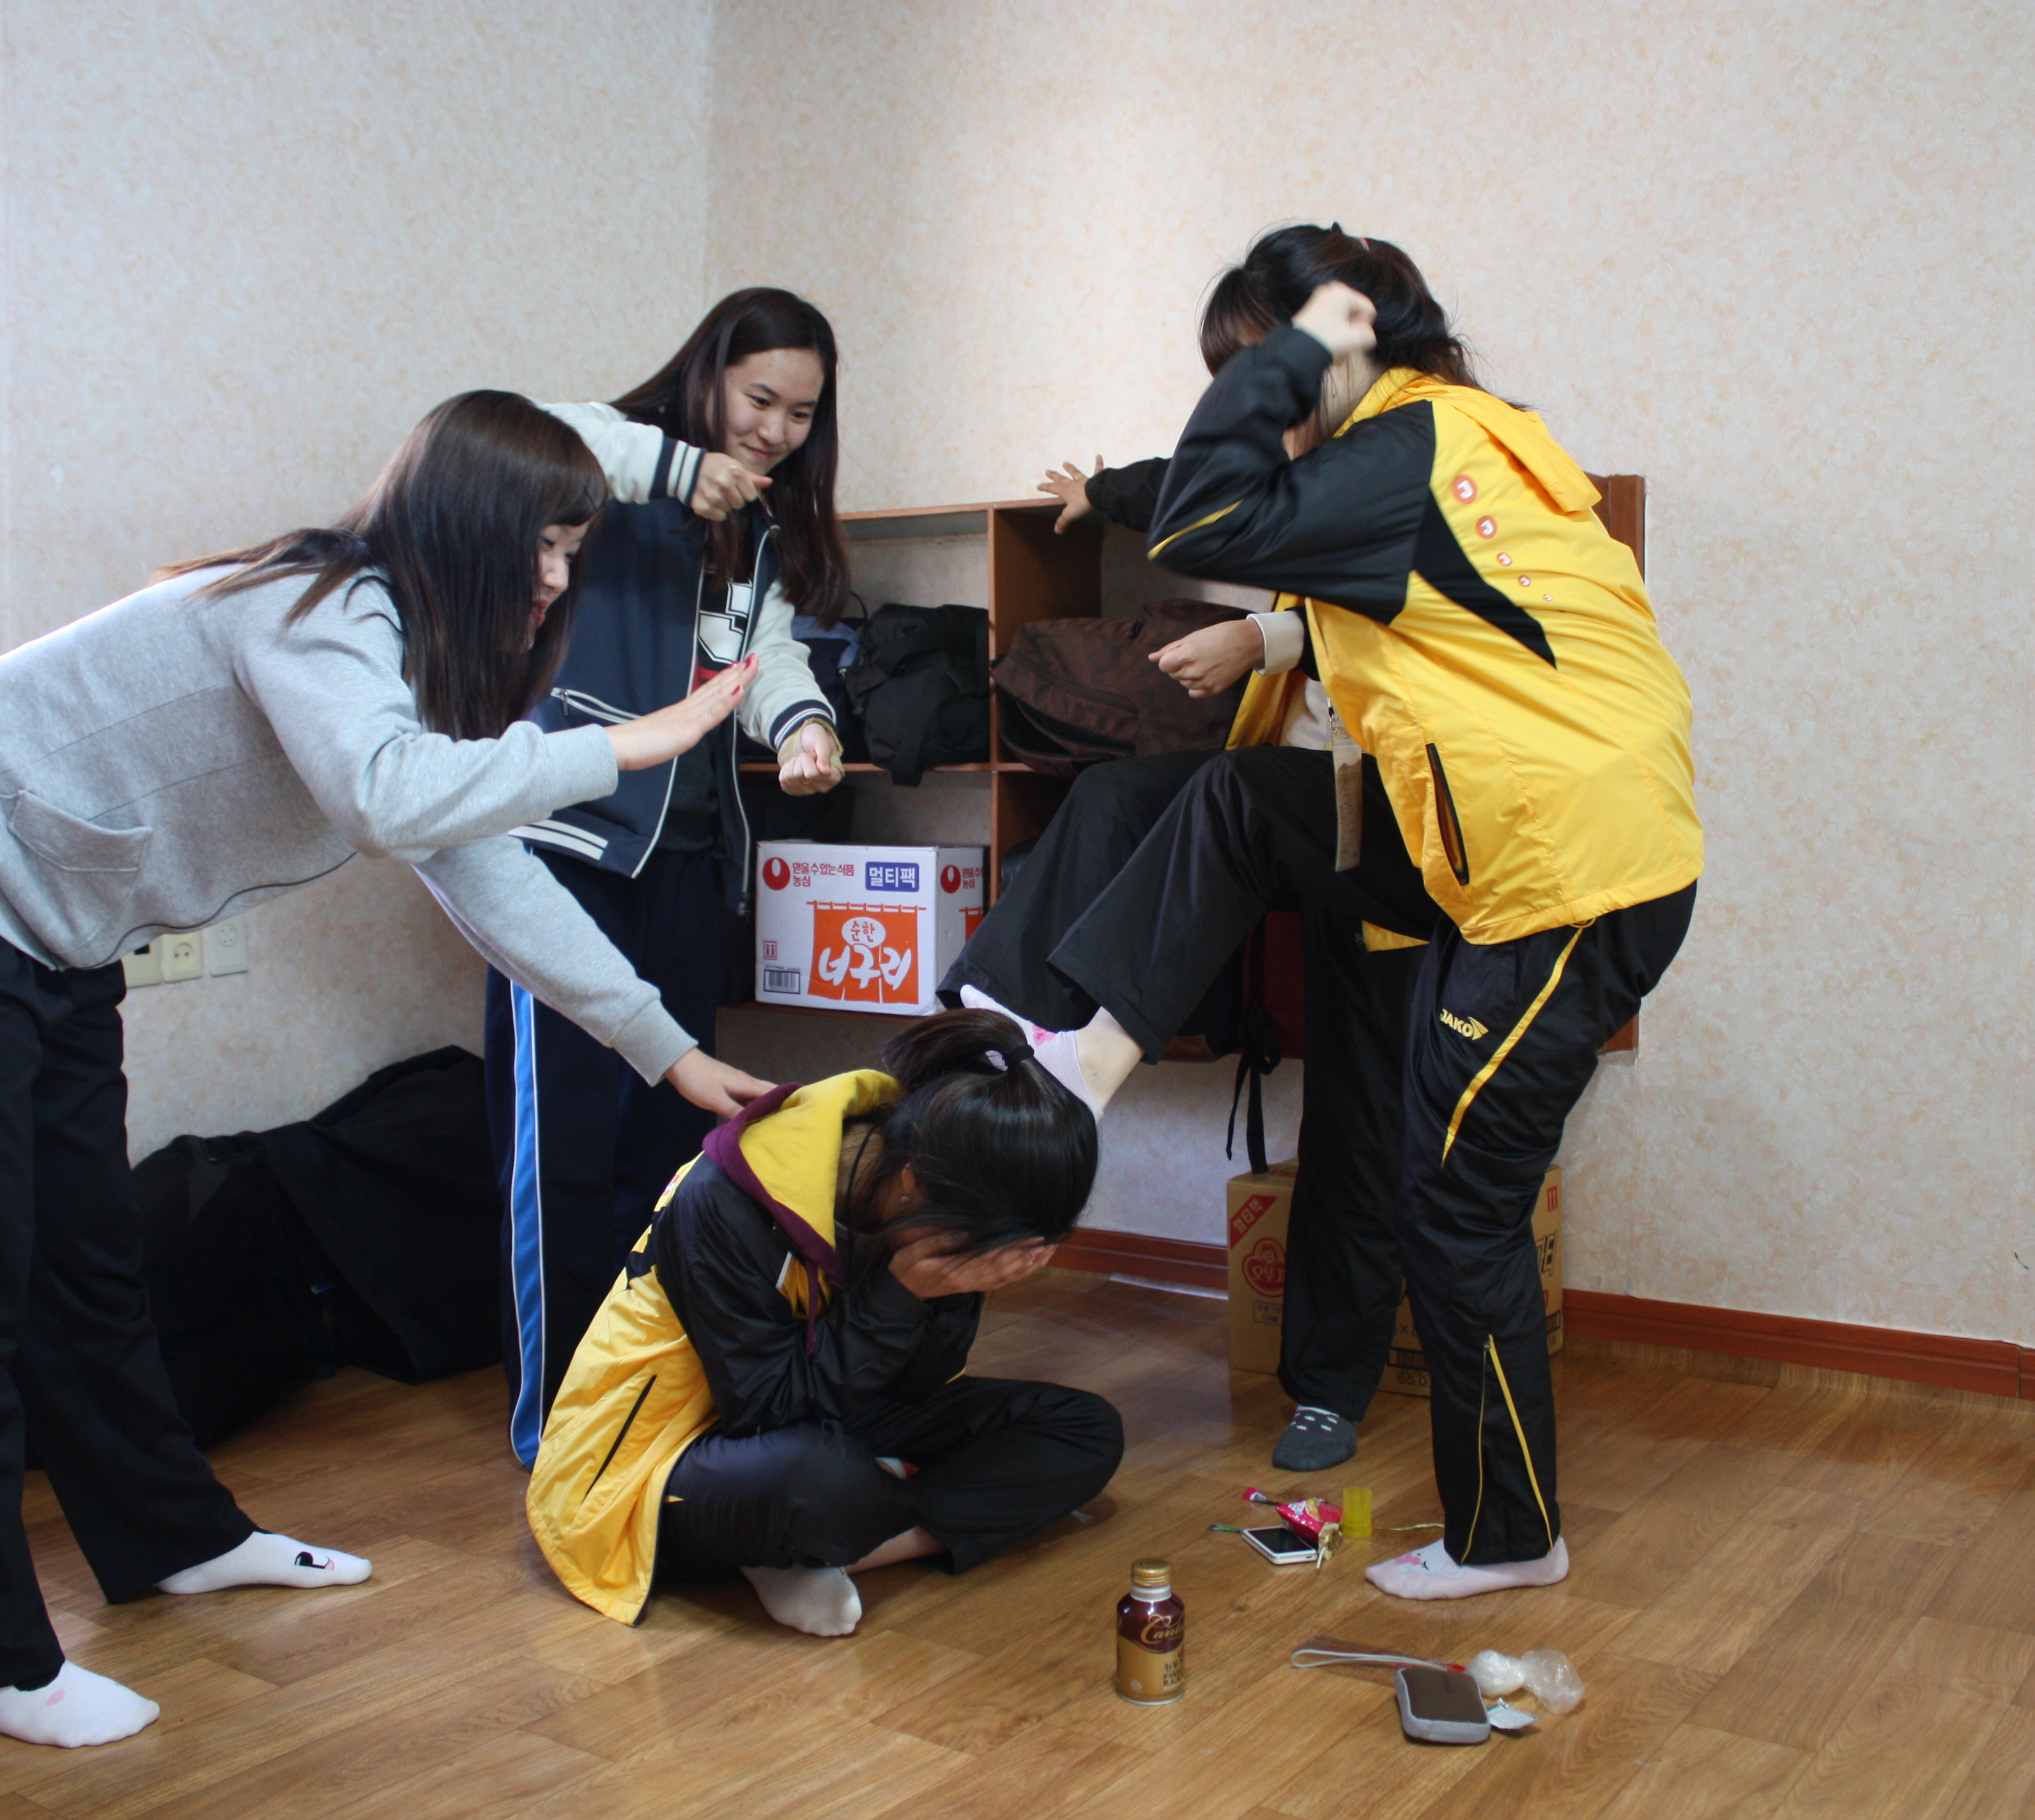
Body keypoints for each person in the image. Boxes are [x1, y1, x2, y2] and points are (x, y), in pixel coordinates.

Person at [0, 390, 772, 1747]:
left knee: (84, 1259)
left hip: (50, 931)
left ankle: (172, 1536)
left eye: (571, 550)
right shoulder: (322, 607)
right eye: (544, 546)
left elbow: (483, 865)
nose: (559, 579)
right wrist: (623, 744)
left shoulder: (402, 663)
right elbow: (386, 797)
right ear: (468, 527)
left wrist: (666, 1050)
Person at [1006, 226, 1703, 1603]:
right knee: (1244, 797)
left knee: (1455, 1202)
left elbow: (1203, 519)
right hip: (1499, 851)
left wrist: (1295, 354)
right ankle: (1075, 1053)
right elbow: (1225, 513)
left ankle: (1509, 1535)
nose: (1256, 399)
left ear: (1337, 343)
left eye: (1264, 365)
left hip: (1569, 875)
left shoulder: (1412, 441)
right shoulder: (1450, 441)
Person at [946, 402, 1423, 1476]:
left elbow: (1417, 620)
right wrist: (1101, 492)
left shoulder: (1425, 477)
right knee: (1116, 794)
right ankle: (997, 1030)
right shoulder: (1290, 463)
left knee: (1359, 1112)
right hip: (1287, 798)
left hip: (1391, 831)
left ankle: (1330, 1389)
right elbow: (1197, 483)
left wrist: (1261, 638)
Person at [490, 289, 854, 1467]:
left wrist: (802, 727)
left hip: (686, 861)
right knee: (561, 1150)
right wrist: (675, 467)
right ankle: (558, 1424)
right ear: (707, 378)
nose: (777, 431)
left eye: (802, 413)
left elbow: (764, 651)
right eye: (760, 400)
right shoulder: (605, 467)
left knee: (671, 1146)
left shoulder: (760, 525)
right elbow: (507, 433)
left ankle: (644, 1392)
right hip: (564, 850)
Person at [525, 1008, 1123, 1638]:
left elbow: (921, 1384)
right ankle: (830, 1524)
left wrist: (956, 1289)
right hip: (665, 1454)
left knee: (1085, 1430)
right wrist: (900, 1292)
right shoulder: (723, 1201)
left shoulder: (925, 1180)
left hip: (827, 1407)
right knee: (824, 1483)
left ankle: (829, 1547)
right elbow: (764, 1410)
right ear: (916, 1185)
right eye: (990, 1251)